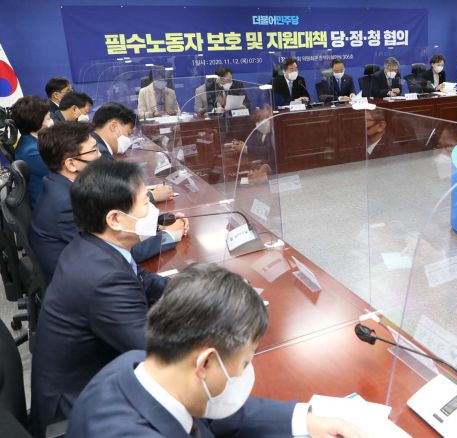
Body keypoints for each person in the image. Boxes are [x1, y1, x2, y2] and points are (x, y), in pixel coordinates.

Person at [66, 263, 365, 437]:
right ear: (205, 362)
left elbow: (210, 415)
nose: (246, 373)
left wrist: (306, 421)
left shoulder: (139, 366)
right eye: (245, 362)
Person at [30, 160, 180, 437]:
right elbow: (157, 351)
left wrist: (190, 290)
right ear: (115, 219)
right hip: (77, 407)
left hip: (88, 377)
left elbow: (140, 277)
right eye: (145, 203)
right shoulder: (104, 278)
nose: (154, 210)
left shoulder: (93, 244)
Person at [31, 122, 186, 282]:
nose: (100, 156)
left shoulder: (62, 184)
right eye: (94, 150)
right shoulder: (65, 204)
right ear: (71, 164)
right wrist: (168, 235)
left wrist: (157, 223)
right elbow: (113, 250)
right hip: (88, 285)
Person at [9, 96, 52, 207]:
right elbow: (61, 171)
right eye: (48, 117)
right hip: (48, 203)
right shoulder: (30, 151)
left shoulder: (34, 140)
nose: (51, 119)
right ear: (36, 120)